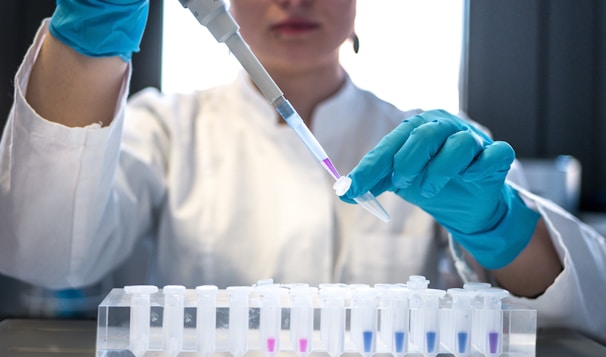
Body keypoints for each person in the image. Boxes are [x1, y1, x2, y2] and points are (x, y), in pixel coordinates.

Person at [0, 0, 605, 343]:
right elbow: (45, 255)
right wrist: (88, 41)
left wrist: (500, 226)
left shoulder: (426, 141)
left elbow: (586, 309)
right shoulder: (165, 128)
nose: (293, 0)